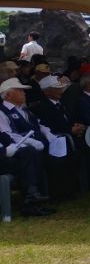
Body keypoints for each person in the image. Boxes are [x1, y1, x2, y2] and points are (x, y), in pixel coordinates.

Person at [0, 77, 55, 216]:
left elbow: (38, 124)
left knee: (36, 156)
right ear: (8, 94)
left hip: (29, 151)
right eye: (19, 90)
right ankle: (31, 197)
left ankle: (37, 197)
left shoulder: (25, 111)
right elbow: (7, 134)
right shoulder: (2, 112)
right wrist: (27, 142)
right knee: (29, 153)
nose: (24, 93)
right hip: (11, 151)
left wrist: (47, 133)